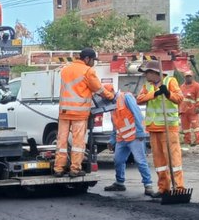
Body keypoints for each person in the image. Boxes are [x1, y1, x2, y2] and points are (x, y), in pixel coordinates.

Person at [54, 48, 114, 178]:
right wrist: (111, 96)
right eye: (93, 60)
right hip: (79, 113)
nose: (93, 63)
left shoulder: (65, 69)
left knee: (61, 141)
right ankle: (75, 169)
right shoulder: (88, 71)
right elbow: (98, 89)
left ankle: (58, 168)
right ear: (87, 59)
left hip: (64, 112)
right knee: (78, 143)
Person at [136, 60, 185, 197]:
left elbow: (179, 98)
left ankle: (179, 188)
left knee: (173, 160)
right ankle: (164, 188)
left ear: (154, 72)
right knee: (159, 162)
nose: (145, 75)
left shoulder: (170, 81)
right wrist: (155, 94)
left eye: (146, 73)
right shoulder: (148, 85)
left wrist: (168, 94)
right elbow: (139, 99)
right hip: (153, 127)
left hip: (168, 127)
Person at [102, 84, 154, 195]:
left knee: (140, 160)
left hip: (134, 136)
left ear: (112, 91)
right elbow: (115, 124)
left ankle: (148, 184)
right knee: (118, 160)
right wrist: (112, 140)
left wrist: (140, 132)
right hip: (122, 138)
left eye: (105, 95)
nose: (104, 97)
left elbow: (137, 113)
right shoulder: (111, 105)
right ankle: (119, 183)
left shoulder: (126, 97)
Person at [179, 70, 199, 146]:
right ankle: (187, 141)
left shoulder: (197, 86)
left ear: (192, 77)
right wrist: (178, 109)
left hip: (193, 110)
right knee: (185, 128)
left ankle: (198, 141)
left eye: (189, 76)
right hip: (183, 110)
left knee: (196, 127)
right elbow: (179, 98)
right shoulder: (182, 87)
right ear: (184, 77)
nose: (188, 78)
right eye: (187, 77)